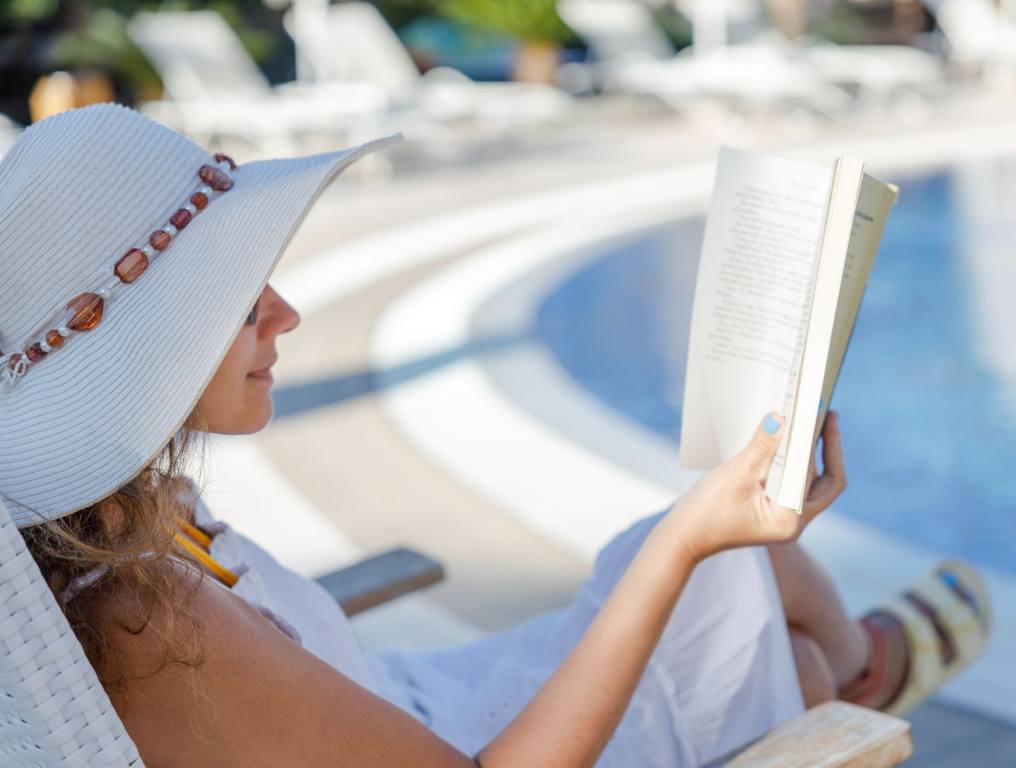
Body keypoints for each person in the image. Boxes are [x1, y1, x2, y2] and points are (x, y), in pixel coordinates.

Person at [0, 104, 989, 767]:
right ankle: (870, 664)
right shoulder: (149, 623)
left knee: (751, 600)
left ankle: (864, 658)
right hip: (477, 740)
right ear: (143, 346)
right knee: (738, 605)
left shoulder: (123, 520)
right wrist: (687, 538)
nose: (286, 314)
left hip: (410, 695)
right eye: (237, 295)